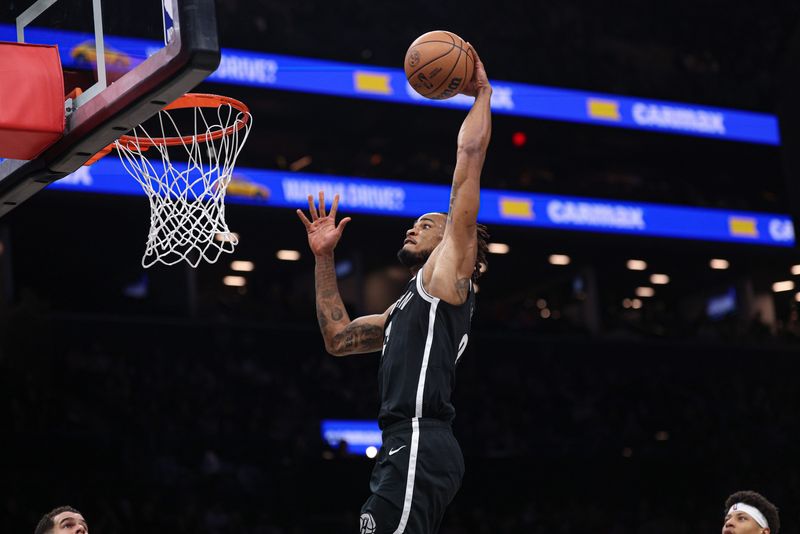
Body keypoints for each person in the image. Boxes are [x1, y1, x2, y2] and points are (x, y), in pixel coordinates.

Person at [297, 46, 492, 534]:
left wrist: (483, 95)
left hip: (421, 438)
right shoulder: (403, 310)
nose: (413, 227)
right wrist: (324, 259)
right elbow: (338, 339)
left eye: (428, 224)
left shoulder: (446, 276)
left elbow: (468, 163)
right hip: (403, 443)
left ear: (454, 242)